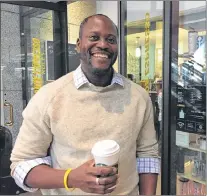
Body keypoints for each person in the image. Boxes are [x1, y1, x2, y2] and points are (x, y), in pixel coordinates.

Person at [10, 14, 160, 195]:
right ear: (79, 44)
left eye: (110, 39)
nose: (103, 44)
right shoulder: (49, 97)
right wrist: (71, 178)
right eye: (94, 37)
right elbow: (21, 164)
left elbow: (148, 157)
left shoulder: (139, 97)